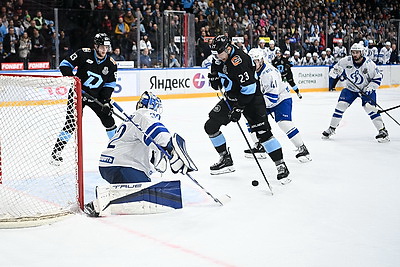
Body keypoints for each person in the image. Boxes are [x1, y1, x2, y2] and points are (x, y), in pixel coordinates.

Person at [84, 91, 196, 216]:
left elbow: (157, 160)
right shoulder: (144, 115)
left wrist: (167, 157)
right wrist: (172, 149)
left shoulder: (132, 120)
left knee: (144, 189)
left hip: (111, 165)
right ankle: (100, 203)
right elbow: (159, 133)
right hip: (124, 166)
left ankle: (113, 195)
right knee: (150, 195)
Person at [205, 35, 290, 184]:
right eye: (215, 54)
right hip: (232, 98)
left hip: (251, 100)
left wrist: (239, 109)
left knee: (263, 134)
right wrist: (213, 78)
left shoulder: (240, 60)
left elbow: (249, 89)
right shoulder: (218, 58)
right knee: (210, 126)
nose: (217, 56)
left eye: (219, 53)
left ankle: (281, 165)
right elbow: (217, 83)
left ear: (228, 48)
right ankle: (225, 158)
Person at [51, 33, 118, 165]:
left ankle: (118, 149)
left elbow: (110, 84)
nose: (104, 50)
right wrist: (74, 82)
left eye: (106, 47)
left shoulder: (111, 64)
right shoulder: (83, 54)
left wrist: (105, 101)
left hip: (95, 96)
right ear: (95, 46)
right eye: (102, 47)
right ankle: (56, 152)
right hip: (77, 94)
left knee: (109, 120)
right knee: (71, 123)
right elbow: (64, 65)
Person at [245, 48, 311, 162]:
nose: (253, 64)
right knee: (251, 119)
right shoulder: (251, 71)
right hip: (265, 99)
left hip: (281, 98)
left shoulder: (269, 73)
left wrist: (255, 105)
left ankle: (302, 148)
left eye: (255, 61)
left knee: (284, 123)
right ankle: (259, 146)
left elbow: (273, 98)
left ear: (261, 60)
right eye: (251, 61)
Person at [322, 42, 389, 143]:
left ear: (362, 53)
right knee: (340, 105)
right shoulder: (345, 61)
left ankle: (382, 131)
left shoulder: (370, 64)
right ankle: (331, 128)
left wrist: (370, 87)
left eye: (357, 52)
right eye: (353, 52)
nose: (354, 54)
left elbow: (378, 77)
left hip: (366, 89)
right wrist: (335, 73)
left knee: (370, 108)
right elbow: (334, 70)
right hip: (350, 89)